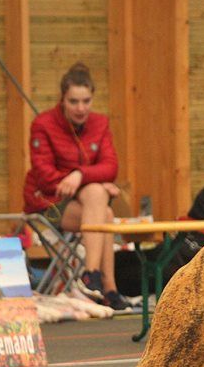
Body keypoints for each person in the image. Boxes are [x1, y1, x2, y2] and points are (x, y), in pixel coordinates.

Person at [23, 62, 131, 311]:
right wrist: (93, 180)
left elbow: (111, 166)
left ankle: (99, 283)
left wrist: (80, 176)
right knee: (99, 196)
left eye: (86, 101)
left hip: (84, 205)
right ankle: (100, 282)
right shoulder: (43, 124)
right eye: (73, 102)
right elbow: (46, 178)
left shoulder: (100, 124)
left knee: (103, 207)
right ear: (62, 100)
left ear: (92, 98)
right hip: (46, 204)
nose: (81, 108)